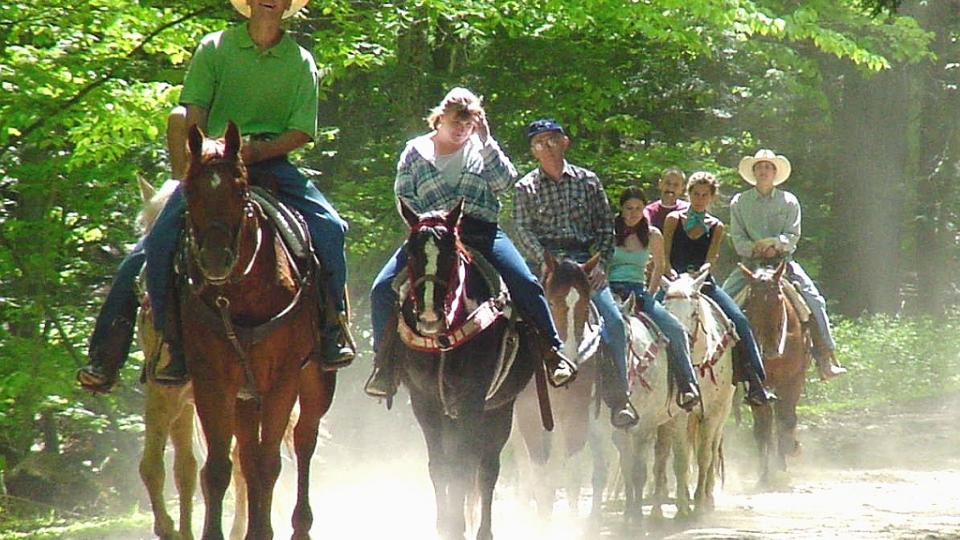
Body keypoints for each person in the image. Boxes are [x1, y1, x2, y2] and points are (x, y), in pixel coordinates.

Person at [77, 0, 354, 392]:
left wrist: (257, 151)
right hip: (213, 164)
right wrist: (210, 149)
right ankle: (135, 349)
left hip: (270, 161)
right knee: (156, 242)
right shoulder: (215, 47)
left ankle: (331, 330)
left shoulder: (300, 60)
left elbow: (301, 131)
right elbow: (194, 109)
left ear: (290, 5)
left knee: (330, 227)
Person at [364, 89, 576, 399]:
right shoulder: (415, 151)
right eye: (456, 122)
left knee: (525, 282)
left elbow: (506, 182)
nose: (462, 128)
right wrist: (427, 224)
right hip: (430, 236)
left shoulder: (482, 148)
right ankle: (383, 364)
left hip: (481, 232)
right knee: (382, 288)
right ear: (440, 118)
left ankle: (552, 353)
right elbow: (403, 195)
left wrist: (488, 141)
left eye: (468, 122)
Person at [512, 118, 639, 429]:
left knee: (614, 320)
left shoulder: (588, 181)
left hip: (584, 263)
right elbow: (522, 229)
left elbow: (605, 228)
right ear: (533, 151)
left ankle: (618, 398)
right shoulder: (525, 187)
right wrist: (542, 260)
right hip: (546, 264)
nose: (547, 147)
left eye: (552, 140)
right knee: (509, 319)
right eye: (539, 143)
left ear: (565, 142)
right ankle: (506, 392)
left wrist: (603, 266)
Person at [722, 149, 847, 380]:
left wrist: (775, 244)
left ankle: (825, 356)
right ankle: (719, 363)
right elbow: (737, 238)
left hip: (783, 262)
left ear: (774, 172)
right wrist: (755, 248)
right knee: (722, 300)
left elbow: (792, 234)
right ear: (753, 172)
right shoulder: (739, 202)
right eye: (759, 167)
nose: (763, 171)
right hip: (751, 264)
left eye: (768, 167)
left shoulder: (789, 201)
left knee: (814, 300)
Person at [662, 172, 777, 405]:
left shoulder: (716, 226)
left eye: (705, 195)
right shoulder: (673, 219)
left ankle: (755, 381)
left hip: (703, 283)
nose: (700, 199)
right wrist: (672, 274)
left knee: (738, 321)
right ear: (689, 193)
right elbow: (664, 255)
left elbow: (710, 258)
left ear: (712, 198)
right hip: (673, 283)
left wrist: (700, 274)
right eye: (696, 194)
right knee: (644, 316)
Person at [608, 187, 700, 411]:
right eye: (629, 208)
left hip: (639, 291)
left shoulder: (652, 234)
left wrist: (649, 292)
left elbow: (659, 266)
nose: (633, 213)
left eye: (638, 208)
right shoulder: (609, 232)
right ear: (621, 209)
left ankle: (687, 384)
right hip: (611, 290)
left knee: (676, 329)